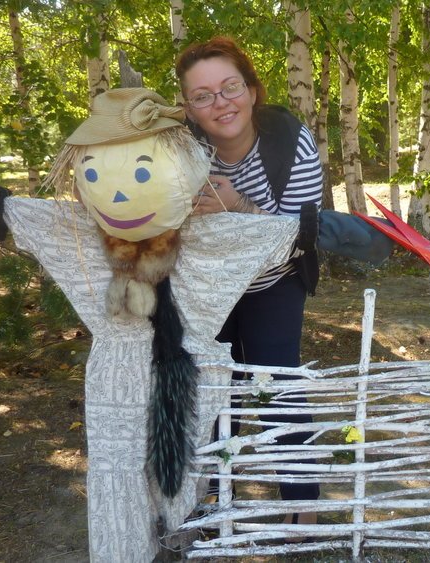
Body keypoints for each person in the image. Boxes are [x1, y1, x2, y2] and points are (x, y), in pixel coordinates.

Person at [175, 36, 323, 526]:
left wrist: (237, 206)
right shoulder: (176, 148)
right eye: (203, 95)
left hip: (274, 280)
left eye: (230, 87)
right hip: (207, 284)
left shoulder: (290, 141)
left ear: (252, 90)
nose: (221, 103)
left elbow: (299, 236)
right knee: (214, 387)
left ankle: (303, 507)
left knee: (278, 383)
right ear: (189, 109)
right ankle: (212, 500)